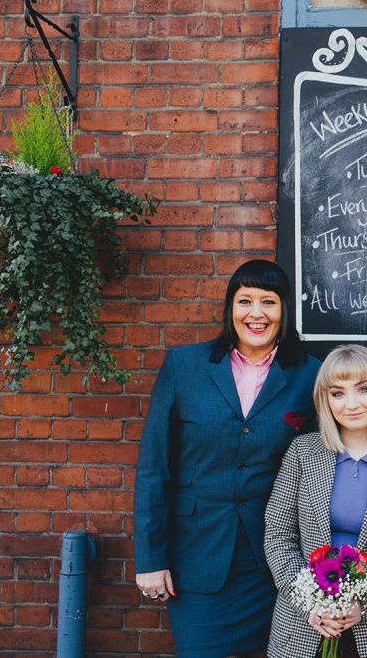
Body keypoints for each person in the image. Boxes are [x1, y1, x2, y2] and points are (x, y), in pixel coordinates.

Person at [133, 259, 321, 658]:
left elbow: (320, 470)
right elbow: (154, 469)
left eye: (268, 302)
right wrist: (151, 558)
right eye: (245, 301)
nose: (256, 313)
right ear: (229, 308)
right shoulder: (184, 366)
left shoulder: (310, 375)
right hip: (197, 558)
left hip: (272, 563)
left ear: (284, 310)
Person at [263, 344, 367, 658]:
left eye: (364, 389)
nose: (351, 404)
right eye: (338, 393)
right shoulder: (302, 453)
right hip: (305, 626)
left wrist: (365, 603)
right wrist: (308, 600)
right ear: (325, 399)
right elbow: (278, 536)